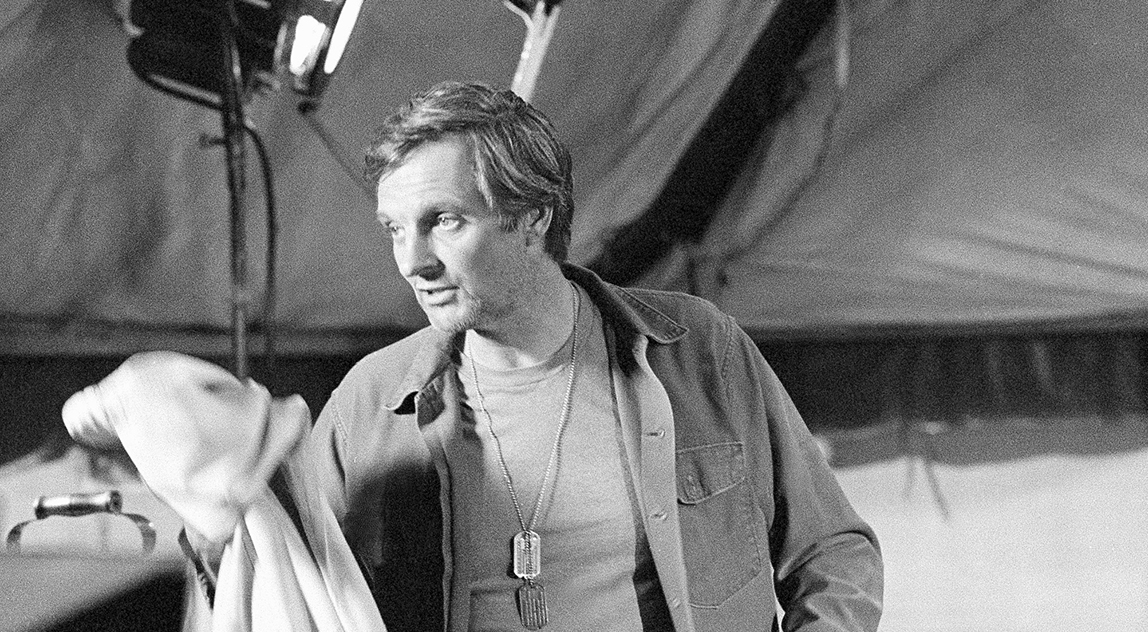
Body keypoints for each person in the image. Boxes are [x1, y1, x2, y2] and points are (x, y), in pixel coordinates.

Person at [295, 80, 883, 631]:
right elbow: (290, 591)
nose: (411, 263)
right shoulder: (370, 402)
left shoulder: (699, 350)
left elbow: (832, 551)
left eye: (444, 221)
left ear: (533, 217)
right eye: (395, 229)